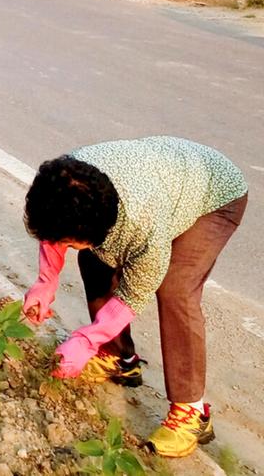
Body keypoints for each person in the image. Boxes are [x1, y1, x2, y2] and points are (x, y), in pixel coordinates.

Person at [22, 136, 248, 458]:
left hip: (216, 195)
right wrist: (46, 281)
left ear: (96, 228)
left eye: (70, 241)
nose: (63, 244)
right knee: (94, 257)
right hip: (167, 179)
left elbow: (133, 295)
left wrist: (86, 339)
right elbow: (54, 232)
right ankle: (119, 359)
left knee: (175, 287)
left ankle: (192, 412)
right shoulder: (65, 181)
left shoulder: (143, 224)